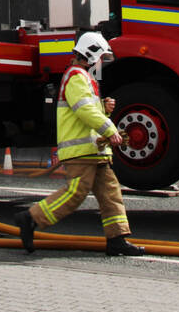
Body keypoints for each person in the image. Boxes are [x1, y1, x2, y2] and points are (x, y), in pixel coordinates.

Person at [15, 32, 145, 257]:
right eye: (100, 57)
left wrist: (104, 106)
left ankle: (117, 239)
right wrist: (111, 130)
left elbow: (89, 109)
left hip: (95, 151)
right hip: (81, 152)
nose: (101, 61)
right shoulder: (76, 76)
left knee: (110, 193)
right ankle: (31, 218)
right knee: (76, 192)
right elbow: (84, 111)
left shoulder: (84, 77)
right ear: (91, 54)